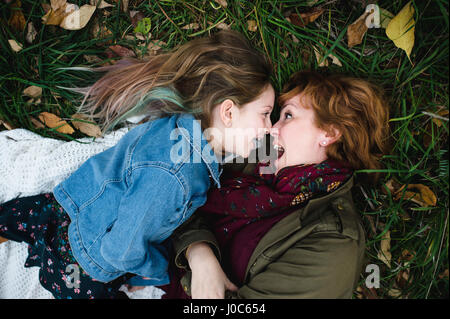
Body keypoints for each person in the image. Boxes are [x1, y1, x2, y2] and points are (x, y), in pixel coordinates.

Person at [0, 30, 275, 299]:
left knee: (11, 217)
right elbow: (121, 250)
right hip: (82, 267)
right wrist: (157, 270)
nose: (269, 126)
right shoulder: (177, 176)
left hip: (65, 210)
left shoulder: (179, 129)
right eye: (265, 114)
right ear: (228, 112)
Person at [158, 70, 390, 299]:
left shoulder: (333, 243)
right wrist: (197, 251)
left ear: (329, 133)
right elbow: (180, 187)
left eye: (288, 116)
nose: (271, 129)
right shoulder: (266, 154)